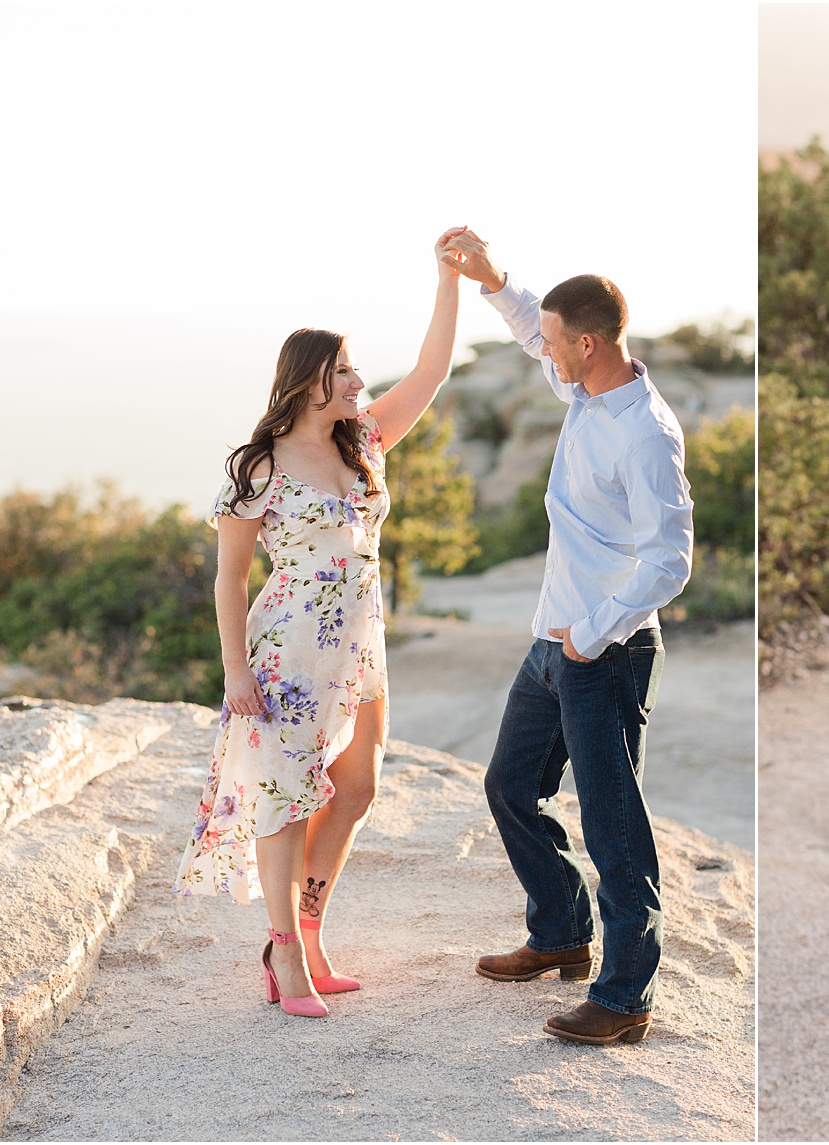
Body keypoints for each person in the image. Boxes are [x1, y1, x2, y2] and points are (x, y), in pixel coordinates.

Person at [174, 227, 466, 1018]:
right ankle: (286, 951)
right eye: (344, 370)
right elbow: (230, 579)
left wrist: (448, 281)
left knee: (357, 788)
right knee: (285, 797)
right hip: (289, 648)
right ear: (309, 382)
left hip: (359, 645)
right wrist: (235, 671)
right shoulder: (257, 467)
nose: (359, 379)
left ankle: (309, 925)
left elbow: (433, 371)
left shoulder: (364, 441)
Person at [441, 229, 694, 1045]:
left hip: (604, 652)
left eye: (554, 342)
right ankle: (559, 933)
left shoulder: (645, 434)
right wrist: (494, 281)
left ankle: (624, 997)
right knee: (510, 786)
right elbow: (530, 329)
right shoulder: (586, 391)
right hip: (552, 645)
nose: (543, 354)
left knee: (614, 829)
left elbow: (671, 561)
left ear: (589, 343)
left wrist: (588, 634)